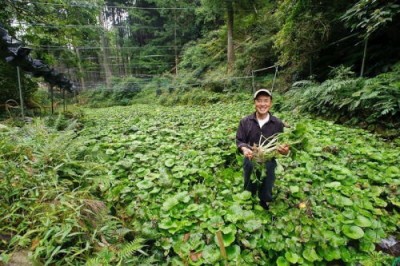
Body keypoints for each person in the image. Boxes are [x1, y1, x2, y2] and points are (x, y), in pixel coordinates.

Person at [236, 89, 289, 210]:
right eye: (259, 101)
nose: (262, 104)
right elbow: (239, 140)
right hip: (251, 156)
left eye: (266, 101)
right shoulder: (245, 121)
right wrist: (244, 149)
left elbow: (281, 144)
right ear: (254, 103)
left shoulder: (277, 123)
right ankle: (249, 198)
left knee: (268, 179)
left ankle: (264, 200)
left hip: (269, 158)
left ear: (270, 103)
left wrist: (284, 151)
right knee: (249, 177)